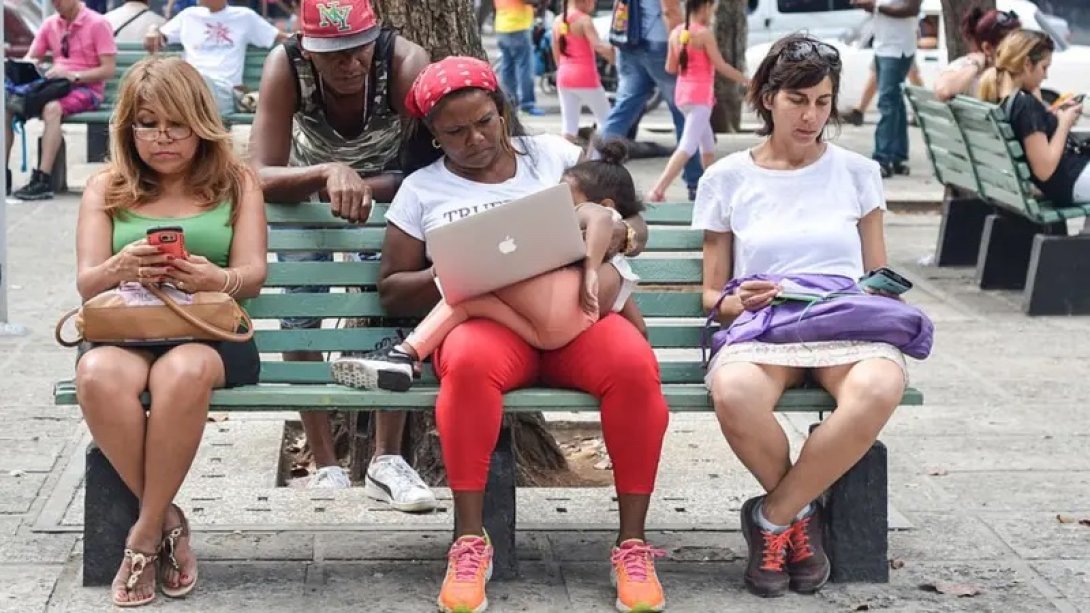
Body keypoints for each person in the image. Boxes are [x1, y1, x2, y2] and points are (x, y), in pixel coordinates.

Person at [376, 55, 669, 613]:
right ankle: (468, 542)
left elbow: (630, 217)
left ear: (502, 111)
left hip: (574, 322)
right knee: (465, 364)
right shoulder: (422, 189)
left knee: (633, 364)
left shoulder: (554, 157)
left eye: (484, 121)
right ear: (433, 136)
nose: (475, 139)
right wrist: (457, 269)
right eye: (455, 132)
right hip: (492, 326)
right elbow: (392, 287)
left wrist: (620, 238)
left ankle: (633, 543)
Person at [693, 35, 913, 598]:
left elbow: (877, 277)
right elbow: (712, 294)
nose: (811, 115)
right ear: (767, 98)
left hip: (843, 319)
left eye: (822, 101)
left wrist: (869, 296)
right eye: (798, 99)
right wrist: (739, 302)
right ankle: (800, 521)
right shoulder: (727, 178)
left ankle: (775, 518)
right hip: (764, 326)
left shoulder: (858, 172)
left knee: (879, 384)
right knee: (736, 392)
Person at [73, 56, 267, 607]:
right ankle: (168, 517)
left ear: (200, 123)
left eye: (176, 124)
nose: (162, 138)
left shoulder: (235, 181)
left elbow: (252, 274)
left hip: (210, 333)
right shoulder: (106, 187)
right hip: (128, 330)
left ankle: (141, 537)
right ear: (127, 128)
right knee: (96, 373)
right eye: (147, 124)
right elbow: (88, 284)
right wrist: (122, 266)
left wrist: (214, 275)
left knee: (182, 370)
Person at [248, 0, 438, 505]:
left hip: (394, 193)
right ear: (308, 52)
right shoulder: (284, 65)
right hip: (307, 192)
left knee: (388, 311)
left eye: (358, 51)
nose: (350, 64)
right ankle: (325, 461)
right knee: (300, 311)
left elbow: (428, 169)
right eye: (334, 55)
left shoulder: (404, 63)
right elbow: (259, 173)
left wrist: (360, 186)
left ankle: (387, 456)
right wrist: (327, 174)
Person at [331, 140, 646, 391]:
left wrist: (590, 268)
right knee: (465, 301)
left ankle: (408, 350)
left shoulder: (591, 218)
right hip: (545, 332)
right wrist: (640, 337)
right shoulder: (615, 266)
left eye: (564, 193)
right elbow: (630, 311)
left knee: (478, 277)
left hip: (553, 311)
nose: (555, 197)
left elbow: (602, 220)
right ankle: (404, 356)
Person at [5, 0, 117, 200]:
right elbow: (32, 56)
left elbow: (108, 70)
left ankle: (42, 179)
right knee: (7, 106)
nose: (56, 3)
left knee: (52, 109)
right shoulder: (51, 24)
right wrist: (30, 68)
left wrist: (73, 75)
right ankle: (2, 175)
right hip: (53, 87)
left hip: (86, 89)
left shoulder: (98, 23)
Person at [978, 29, 1090, 225]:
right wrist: (1063, 124)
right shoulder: (1025, 106)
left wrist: (1051, 118)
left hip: (1072, 176)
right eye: (1044, 67)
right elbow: (1044, 168)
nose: (1045, 76)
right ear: (1027, 64)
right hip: (1071, 181)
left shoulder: (1008, 100)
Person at [598, 0, 704, 200]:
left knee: (623, 108)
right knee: (685, 112)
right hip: (659, 42)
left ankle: (596, 169)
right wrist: (682, 44)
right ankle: (695, 181)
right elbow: (670, 8)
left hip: (627, 41)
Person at [647, 0, 746, 202]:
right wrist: (747, 80)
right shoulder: (703, 34)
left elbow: (670, 68)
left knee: (707, 146)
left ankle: (713, 190)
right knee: (688, 146)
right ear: (705, 7)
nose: (712, 14)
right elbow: (721, 65)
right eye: (712, 9)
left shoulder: (676, 33)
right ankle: (657, 190)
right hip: (700, 97)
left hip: (683, 96)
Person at [144, 0, 288, 115]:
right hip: (191, 86)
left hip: (224, 89)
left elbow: (280, 37)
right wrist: (152, 30)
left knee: (191, 90)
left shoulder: (244, 17)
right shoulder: (188, 16)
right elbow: (158, 36)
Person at [852, 0, 921, 178]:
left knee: (888, 104)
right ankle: (898, 156)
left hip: (898, 49)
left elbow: (911, 8)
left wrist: (876, 6)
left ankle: (882, 158)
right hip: (883, 47)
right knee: (895, 104)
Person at [552, 0, 615, 142]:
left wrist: (563, 70)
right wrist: (615, 57)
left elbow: (556, 52)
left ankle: (566, 161)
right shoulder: (584, 20)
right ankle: (595, 156)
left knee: (569, 126)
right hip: (585, 77)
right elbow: (598, 45)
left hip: (564, 77)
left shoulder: (558, 21)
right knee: (607, 120)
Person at [934, 8, 1021, 101]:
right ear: (987, 48)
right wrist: (975, 65)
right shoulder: (969, 65)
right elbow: (943, 90)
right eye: (1011, 44)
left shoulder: (1019, 69)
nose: (1018, 47)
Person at [494, 0, 546, 115]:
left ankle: (510, 103)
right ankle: (527, 104)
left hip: (501, 26)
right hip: (518, 26)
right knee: (525, 67)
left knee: (507, 67)